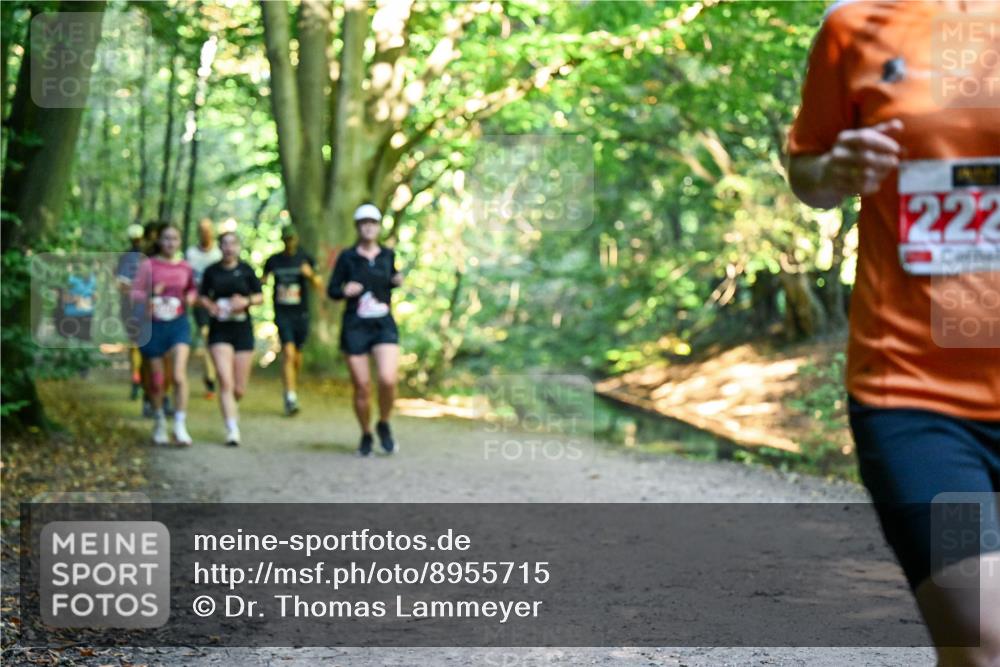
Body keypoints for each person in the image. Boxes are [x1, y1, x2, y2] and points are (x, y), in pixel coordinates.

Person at [787, 2, 999, 664]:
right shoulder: (857, 25)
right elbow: (808, 170)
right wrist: (835, 170)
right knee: (983, 635)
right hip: (921, 399)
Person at [327, 204, 404, 456]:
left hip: (383, 324)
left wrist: (396, 281)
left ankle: (383, 422)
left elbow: (390, 280)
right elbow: (332, 290)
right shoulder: (347, 257)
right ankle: (366, 433)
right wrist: (344, 290)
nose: (369, 226)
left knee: (387, 379)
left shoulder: (387, 255)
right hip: (355, 326)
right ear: (358, 227)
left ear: (379, 227)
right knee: (362, 385)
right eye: (364, 223)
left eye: (373, 222)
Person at [131, 224, 197, 446]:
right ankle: (159, 420)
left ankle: (180, 424)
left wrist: (191, 298)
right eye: (166, 238)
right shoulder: (147, 265)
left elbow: (192, 289)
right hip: (154, 326)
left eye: (175, 239)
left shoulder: (185, 267)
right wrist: (149, 296)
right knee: (158, 381)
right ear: (159, 241)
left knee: (178, 376)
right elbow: (134, 292)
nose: (170, 243)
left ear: (180, 242)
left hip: (178, 325)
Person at [198, 231, 263, 447]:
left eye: (232, 244)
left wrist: (245, 301)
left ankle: (233, 409)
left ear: (238, 247)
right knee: (225, 381)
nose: (229, 248)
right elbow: (202, 296)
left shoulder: (246, 270)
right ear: (220, 247)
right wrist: (212, 307)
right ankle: (232, 429)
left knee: (238, 388)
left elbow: (260, 296)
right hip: (220, 331)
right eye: (224, 244)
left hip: (242, 330)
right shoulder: (211, 271)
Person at [263, 226, 323, 415]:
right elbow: (261, 281)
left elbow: (319, 284)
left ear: (297, 240)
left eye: (292, 239)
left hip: (301, 314)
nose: (290, 242)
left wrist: (310, 275)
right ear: (283, 240)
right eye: (287, 239)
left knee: (296, 355)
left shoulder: (305, 258)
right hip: (282, 313)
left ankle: (292, 384)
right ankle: (290, 396)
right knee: (287, 353)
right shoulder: (273, 261)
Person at [186, 218, 223, 399]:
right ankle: (210, 378)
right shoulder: (191, 253)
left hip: (219, 303)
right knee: (207, 336)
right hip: (200, 303)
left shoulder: (219, 253)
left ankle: (216, 374)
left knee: (217, 340)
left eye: (208, 230)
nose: (205, 233)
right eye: (202, 230)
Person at [116, 224, 146, 400]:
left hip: (134, 308)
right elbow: (122, 285)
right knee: (138, 344)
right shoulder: (139, 257)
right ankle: (137, 378)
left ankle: (137, 378)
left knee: (136, 345)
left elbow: (121, 285)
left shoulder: (126, 257)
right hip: (135, 308)